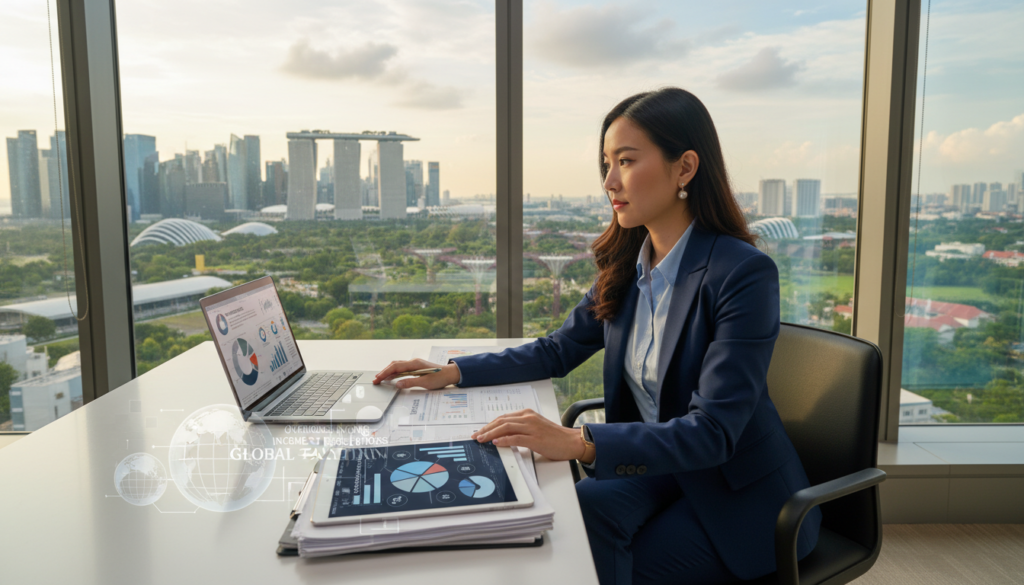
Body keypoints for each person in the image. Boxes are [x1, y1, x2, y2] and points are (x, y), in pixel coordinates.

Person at [373, 87, 820, 585]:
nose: (609, 181)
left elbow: (713, 432)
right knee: (569, 518)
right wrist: (454, 372)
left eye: (626, 161)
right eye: (606, 163)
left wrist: (580, 440)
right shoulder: (629, 264)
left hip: (740, 500)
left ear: (685, 168)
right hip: (662, 471)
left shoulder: (743, 274)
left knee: (580, 560)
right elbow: (559, 350)